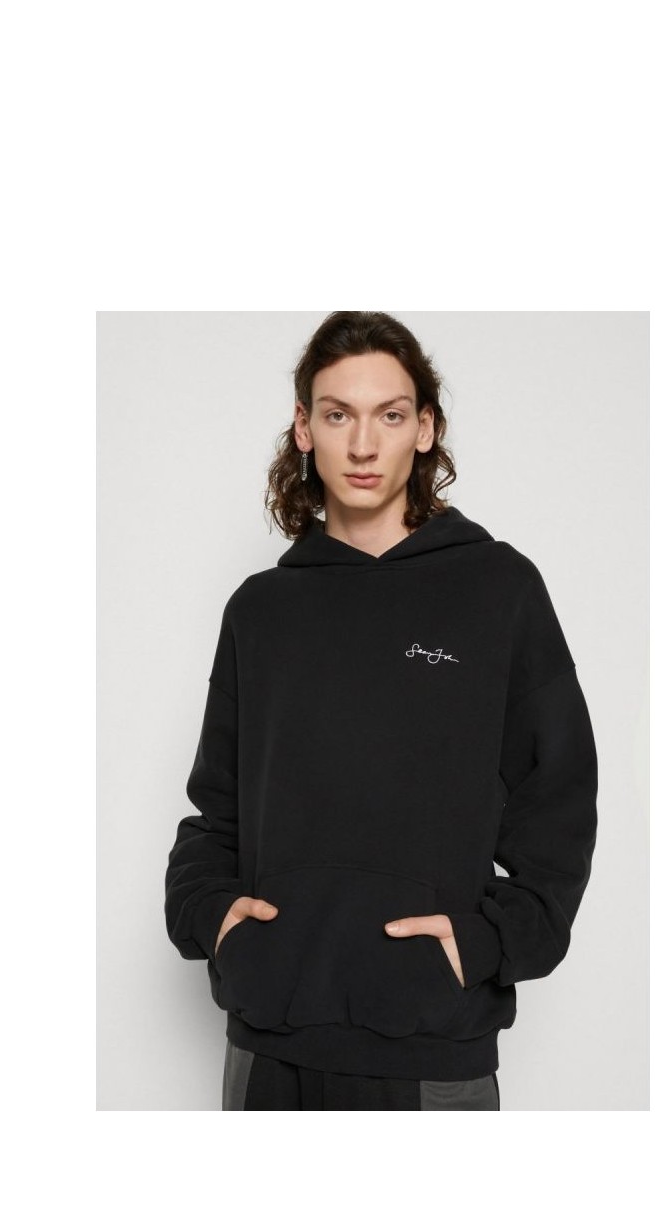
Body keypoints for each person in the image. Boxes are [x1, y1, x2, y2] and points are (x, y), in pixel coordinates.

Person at [164, 311, 598, 1110]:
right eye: (339, 416)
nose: (363, 445)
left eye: (390, 416)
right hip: (268, 1046)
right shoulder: (261, 611)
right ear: (304, 428)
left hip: (433, 1046)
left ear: (425, 429)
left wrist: (485, 943)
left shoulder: (498, 591)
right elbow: (216, 811)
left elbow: (559, 806)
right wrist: (213, 917)